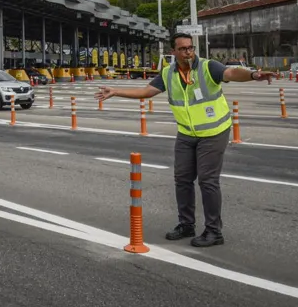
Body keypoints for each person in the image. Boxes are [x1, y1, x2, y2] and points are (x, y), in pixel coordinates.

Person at [95, 33, 276, 247]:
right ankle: (186, 224)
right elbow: (146, 91)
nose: (188, 52)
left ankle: (213, 231)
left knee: (207, 181)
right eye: (182, 49)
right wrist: (116, 91)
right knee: (182, 179)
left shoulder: (208, 67)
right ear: (174, 52)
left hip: (214, 132)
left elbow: (232, 72)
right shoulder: (168, 73)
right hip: (187, 133)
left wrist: (254, 75)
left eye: (190, 48)